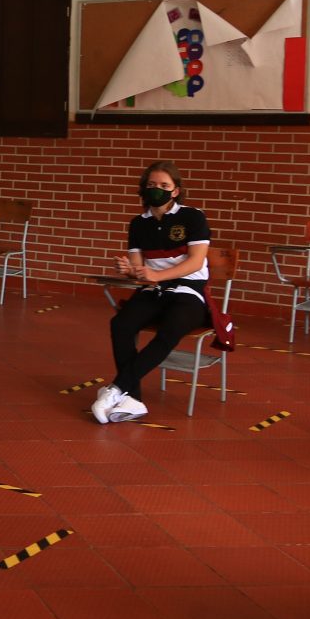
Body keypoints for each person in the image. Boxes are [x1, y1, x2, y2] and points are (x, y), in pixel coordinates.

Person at [91, 161, 211, 424]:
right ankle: (132, 398)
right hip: (153, 290)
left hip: (188, 291)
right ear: (143, 190)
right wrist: (130, 271)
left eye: (164, 186)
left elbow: (196, 261)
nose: (158, 190)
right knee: (121, 324)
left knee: (173, 326)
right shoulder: (138, 224)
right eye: (152, 186)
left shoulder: (193, 217)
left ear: (175, 191)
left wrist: (155, 274)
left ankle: (116, 388)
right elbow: (138, 267)